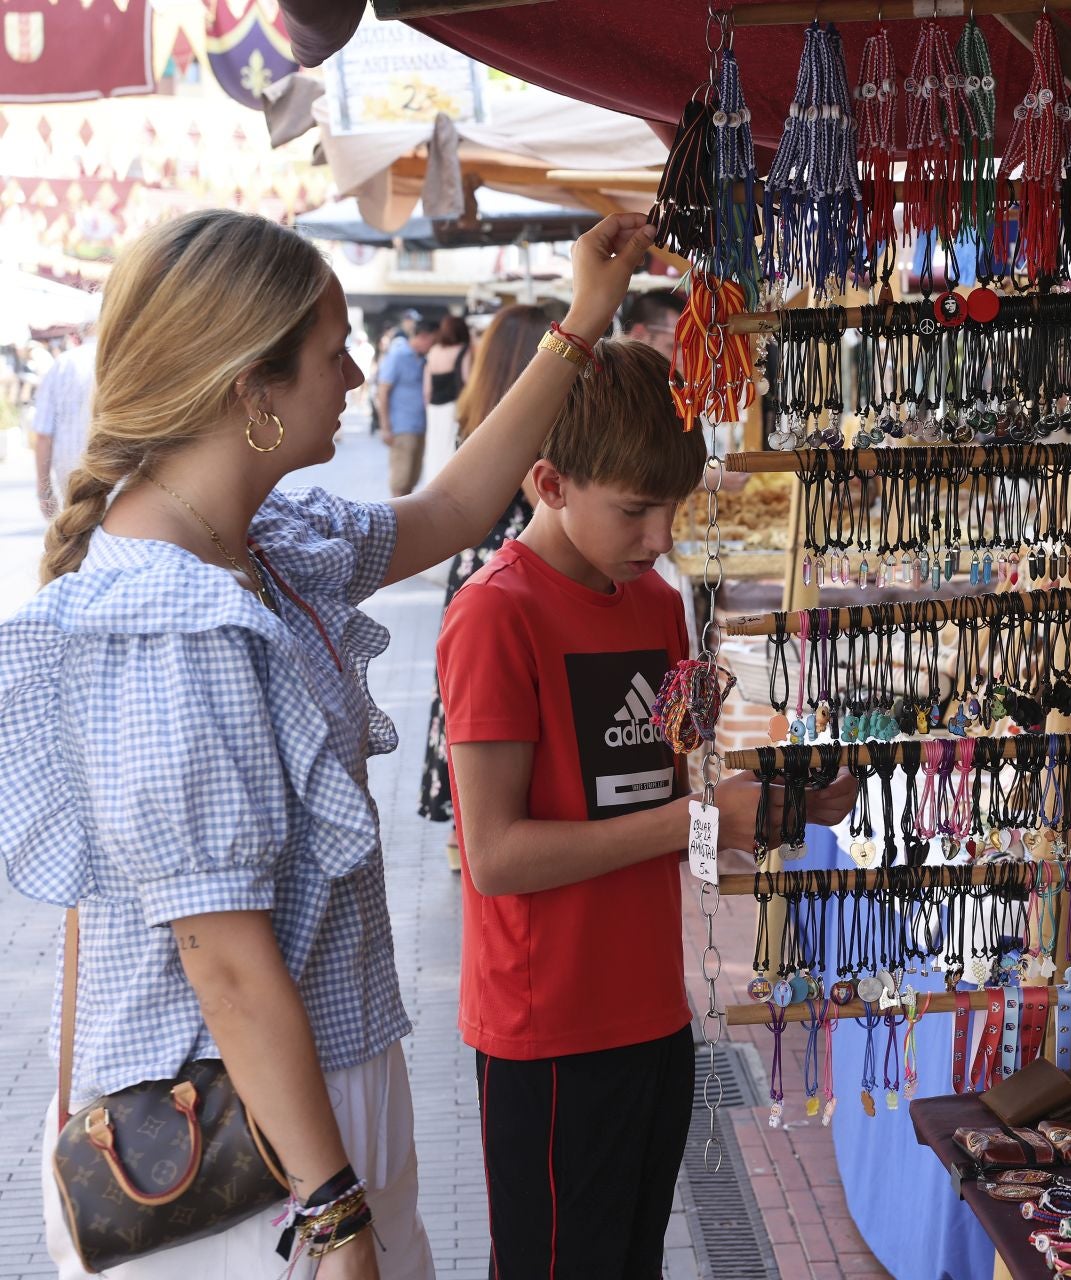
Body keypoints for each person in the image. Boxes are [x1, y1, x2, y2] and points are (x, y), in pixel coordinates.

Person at [0, 206, 656, 1279]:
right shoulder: (169, 620)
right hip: (235, 1146)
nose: (354, 375)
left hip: (303, 1107)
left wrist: (583, 318)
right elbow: (229, 962)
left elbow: (450, 505)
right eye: (331, 350)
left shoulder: (260, 546)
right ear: (250, 389)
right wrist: (337, 1213)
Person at [437, 337, 855, 1278]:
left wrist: (787, 798)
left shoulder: (657, 603)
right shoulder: (494, 614)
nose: (660, 536)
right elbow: (494, 855)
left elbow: (688, 779)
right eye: (634, 510)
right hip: (547, 1029)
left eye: (673, 508)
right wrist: (700, 823)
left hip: (652, 1012)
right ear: (549, 482)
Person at [417, 304, 549, 870]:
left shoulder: (482, 410)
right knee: (501, 694)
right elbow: (544, 501)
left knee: (465, 693)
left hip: (473, 560)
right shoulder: (530, 420)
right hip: (514, 560)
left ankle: (460, 827)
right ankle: (483, 826)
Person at [32, 329, 96, 517]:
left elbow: (43, 433)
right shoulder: (125, 360)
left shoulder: (64, 363)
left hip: (70, 475)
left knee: (75, 538)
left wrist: (44, 491)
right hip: (120, 478)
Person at [376, 324, 434, 496]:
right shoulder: (398, 356)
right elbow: (383, 391)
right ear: (422, 336)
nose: (432, 345)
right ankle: (396, 521)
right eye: (431, 340)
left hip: (419, 426)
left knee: (411, 481)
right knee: (400, 482)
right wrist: (385, 427)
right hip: (402, 427)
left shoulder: (422, 360)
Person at [419, 314, 472, 486]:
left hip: (434, 408)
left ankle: (432, 484)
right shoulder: (463, 349)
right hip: (453, 405)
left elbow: (427, 389)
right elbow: (467, 379)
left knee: (434, 447)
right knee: (451, 445)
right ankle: (449, 485)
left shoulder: (433, 351)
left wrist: (428, 406)